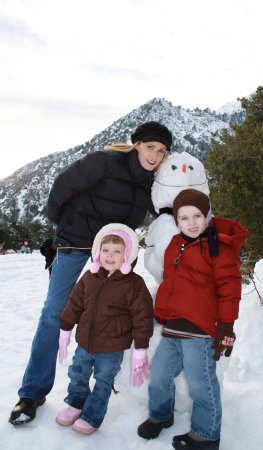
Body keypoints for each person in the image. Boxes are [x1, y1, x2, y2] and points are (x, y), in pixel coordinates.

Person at [9, 120, 172, 425]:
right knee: (55, 313)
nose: (155, 155)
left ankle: (105, 382)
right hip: (76, 243)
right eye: (150, 147)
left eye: (161, 151)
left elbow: (164, 209)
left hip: (116, 256)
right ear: (136, 144)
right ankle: (32, 393)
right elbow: (62, 186)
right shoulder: (106, 162)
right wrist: (61, 225)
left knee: (114, 314)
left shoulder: (153, 183)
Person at [137, 189, 248, 450]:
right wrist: (158, 313)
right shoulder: (176, 243)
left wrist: (227, 326)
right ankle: (161, 415)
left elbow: (230, 288)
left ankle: (207, 435)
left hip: (201, 333)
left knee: (201, 384)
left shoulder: (217, 246)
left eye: (197, 215)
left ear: (207, 216)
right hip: (173, 328)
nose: (191, 222)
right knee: (160, 375)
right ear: (176, 221)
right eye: (184, 217)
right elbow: (171, 283)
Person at [55, 223, 153, 435]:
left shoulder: (134, 284)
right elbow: (74, 304)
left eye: (117, 251)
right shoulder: (90, 276)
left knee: (103, 380)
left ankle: (92, 415)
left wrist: (140, 350)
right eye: (105, 250)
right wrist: (65, 331)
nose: (110, 255)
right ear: (97, 252)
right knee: (77, 373)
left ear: (127, 255)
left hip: (112, 346)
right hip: (85, 342)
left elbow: (142, 317)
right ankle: (76, 403)